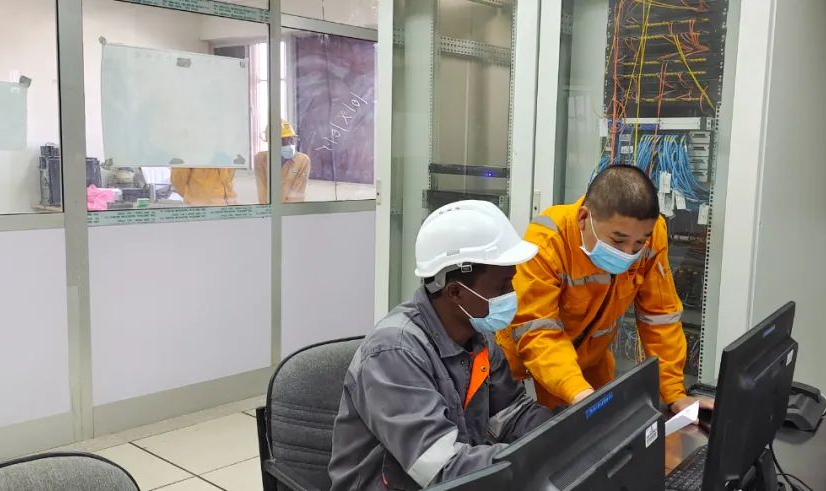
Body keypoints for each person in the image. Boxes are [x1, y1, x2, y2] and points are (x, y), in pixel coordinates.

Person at [328, 200, 553, 491]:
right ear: (455, 292)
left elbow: (511, 416)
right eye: (502, 287)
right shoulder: (394, 353)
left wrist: (563, 434)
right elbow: (442, 468)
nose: (512, 294)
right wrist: (529, 459)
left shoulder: (479, 338)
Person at [496, 165, 712, 415]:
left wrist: (675, 394)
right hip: (530, 359)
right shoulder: (547, 241)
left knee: (602, 428)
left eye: (638, 244)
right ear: (583, 219)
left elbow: (660, 318)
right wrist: (577, 392)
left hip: (592, 360)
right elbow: (537, 330)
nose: (628, 253)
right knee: (540, 428)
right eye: (618, 240)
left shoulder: (651, 236)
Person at [255, 119, 310, 204]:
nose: (289, 145)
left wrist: (285, 211)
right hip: (271, 209)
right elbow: (263, 192)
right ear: (271, 143)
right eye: (284, 141)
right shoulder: (261, 159)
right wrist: (267, 210)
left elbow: (297, 196)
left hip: (291, 209)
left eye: (291, 140)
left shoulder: (302, 160)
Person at [170, 166, 237, 206]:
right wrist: (193, 196)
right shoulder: (190, 153)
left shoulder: (224, 152)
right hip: (201, 207)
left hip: (228, 204)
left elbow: (229, 177)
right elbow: (177, 180)